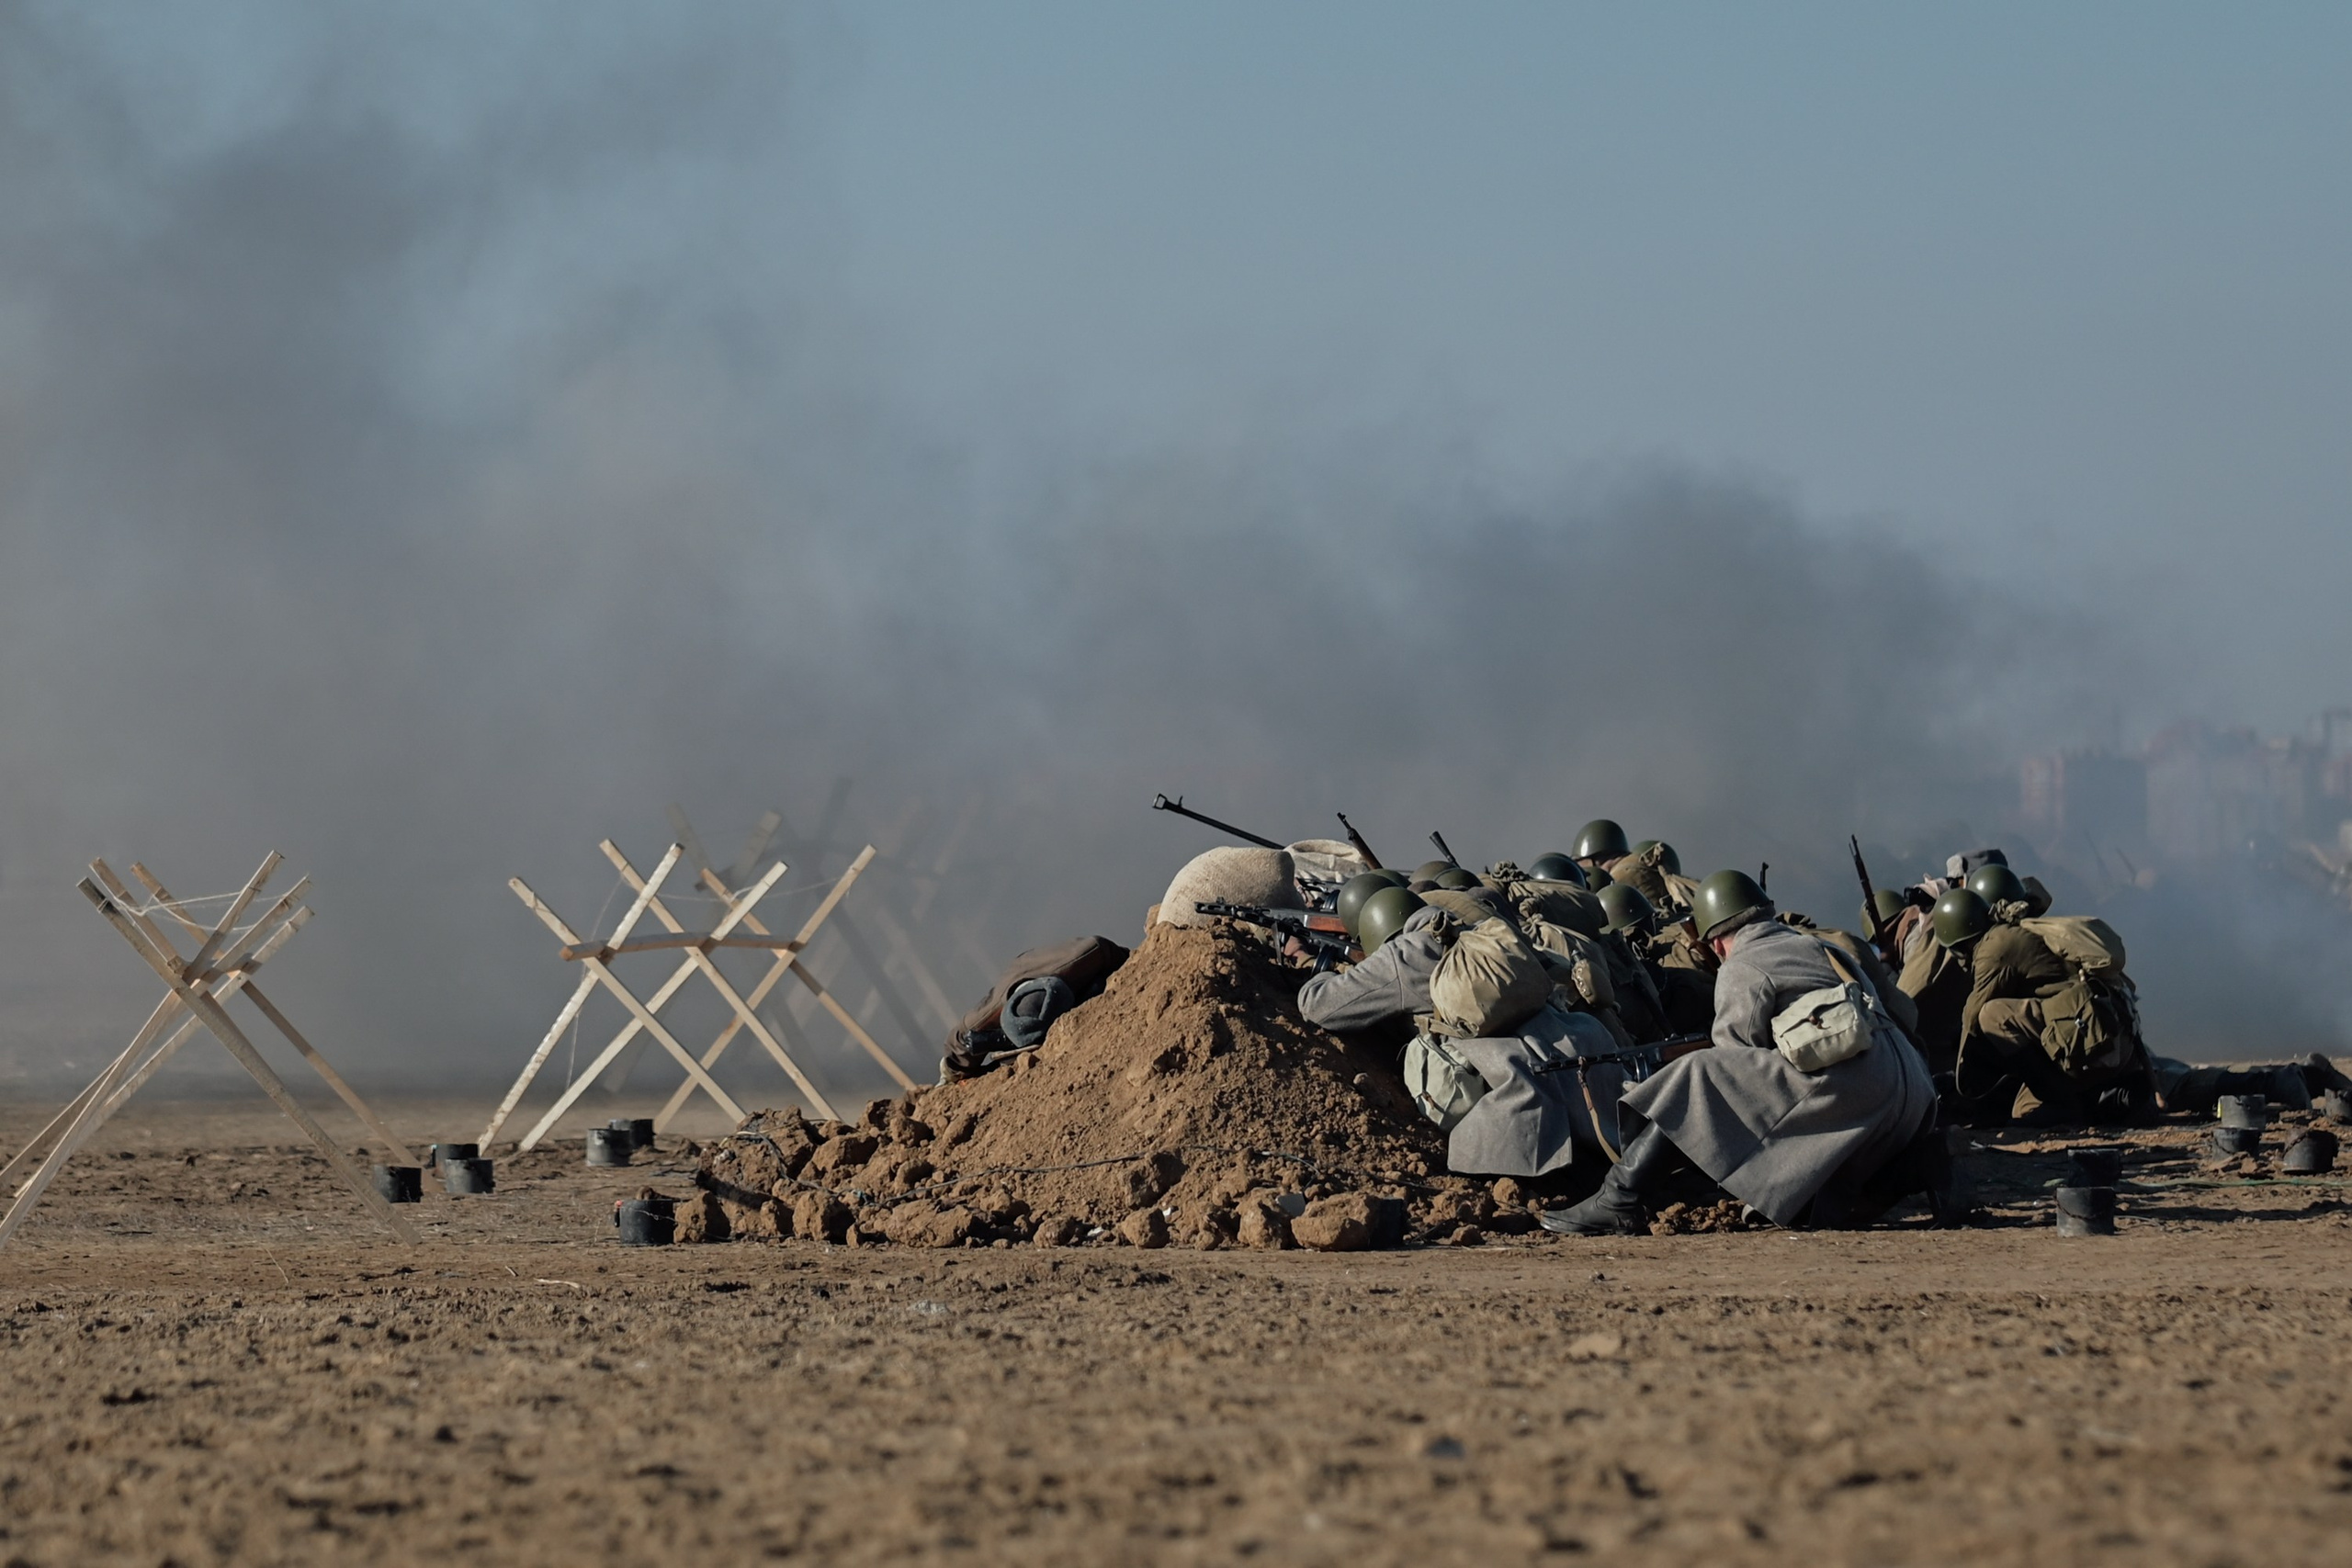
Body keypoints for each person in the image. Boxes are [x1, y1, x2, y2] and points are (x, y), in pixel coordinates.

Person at [1543, 869, 1939, 1235]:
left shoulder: (1745, 963)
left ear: (1715, 941)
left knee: (1696, 1076)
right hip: (1909, 1095)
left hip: (1853, 1086)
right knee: (1803, 1206)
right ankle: (1922, 1168)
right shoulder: (1820, 946)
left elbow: (1732, 1062)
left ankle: (1619, 1197)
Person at [1939, 889, 2148, 1125]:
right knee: (2024, 1110)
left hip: (2090, 1042)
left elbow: (1974, 1018)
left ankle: (2063, 1105)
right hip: (2109, 1040)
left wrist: (1958, 1078)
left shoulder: (1994, 949)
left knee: (1993, 1016)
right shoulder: (2020, 930)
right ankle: (2111, 1099)